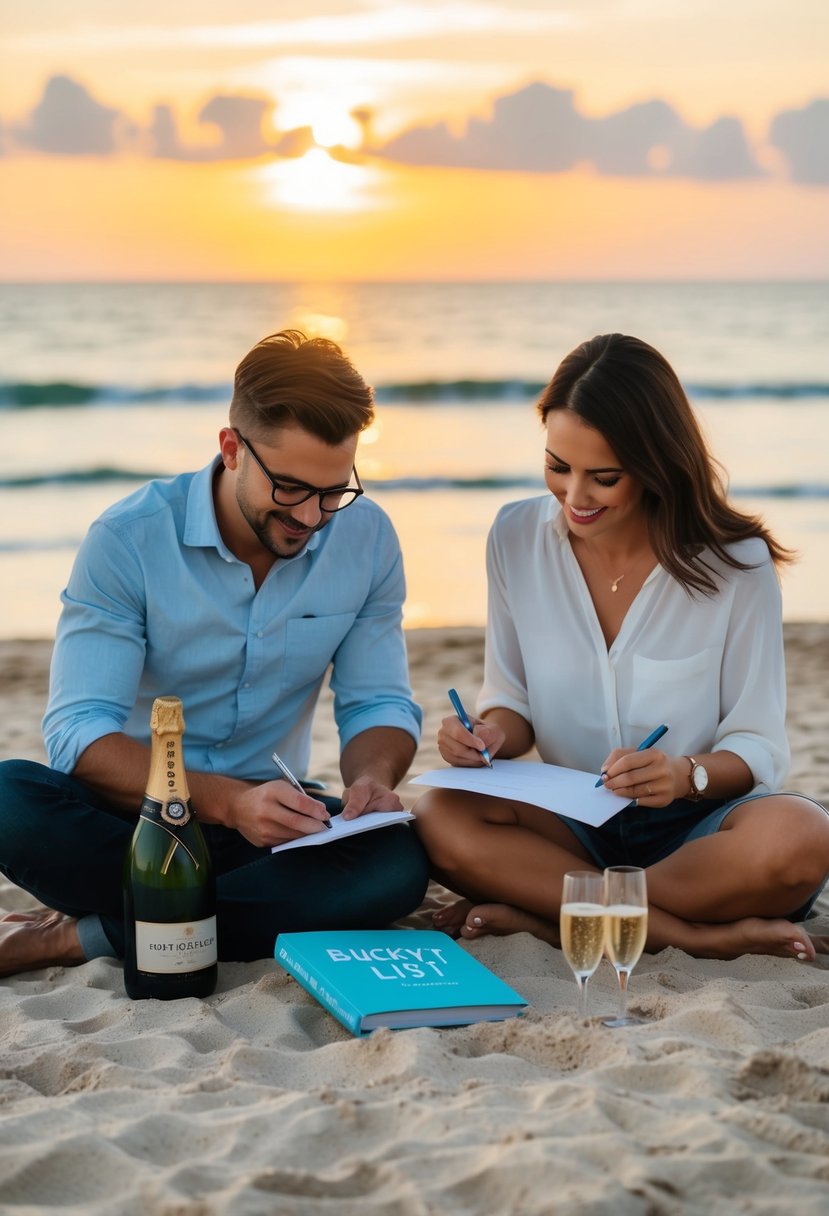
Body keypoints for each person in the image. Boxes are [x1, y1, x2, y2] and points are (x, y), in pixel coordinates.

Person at [0, 329, 429, 977]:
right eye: (289, 488)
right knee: (10, 799)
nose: (312, 516)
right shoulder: (129, 539)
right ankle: (195, 914)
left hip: (275, 825)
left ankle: (85, 937)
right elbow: (78, 736)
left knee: (396, 866)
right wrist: (227, 802)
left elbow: (377, 701)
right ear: (231, 448)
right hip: (133, 821)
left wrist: (371, 780)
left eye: (333, 491)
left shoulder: (367, 539)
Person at [414, 333, 829, 961]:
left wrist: (683, 774)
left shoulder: (735, 564)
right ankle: (686, 935)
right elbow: (512, 703)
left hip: (701, 831)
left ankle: (558, 918)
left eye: (603, 477)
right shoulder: (514, 537)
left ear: (656, 463)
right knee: (442, 811)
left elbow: (758, 745)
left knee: (803, 836)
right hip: (574, 823)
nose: (575, 497)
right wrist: (489, 735)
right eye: (558, 467)